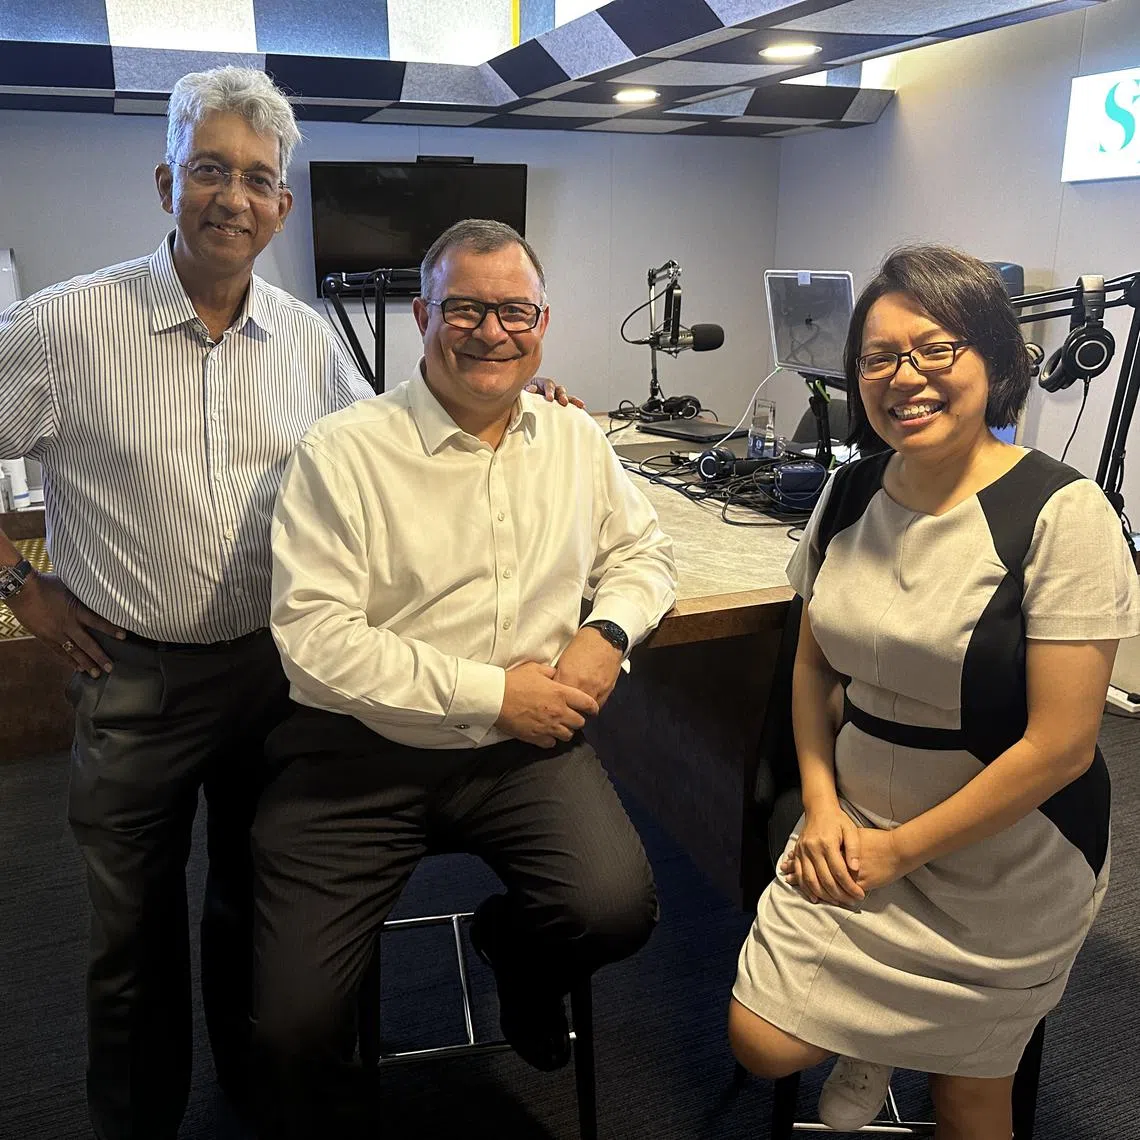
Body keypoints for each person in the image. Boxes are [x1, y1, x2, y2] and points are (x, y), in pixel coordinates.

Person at [0, 67, 574, 1140]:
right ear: (167, 179)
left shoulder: (309, 339)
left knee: (246, 910)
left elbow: (400, 446)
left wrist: (517, 398)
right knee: (131, 937)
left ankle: (247, 1103)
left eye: (257, 179)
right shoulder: (65, 327)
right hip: (134, 675)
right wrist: (19, 590)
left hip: (276, 674)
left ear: (283, 205)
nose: (232, 197)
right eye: (209, 170)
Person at [250, 218, 677, 1137]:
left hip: (519, 755)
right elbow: (315, 639)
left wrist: (607, 632)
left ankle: (512, 953)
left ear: (543, 321)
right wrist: (493, 694)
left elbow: (644, 554)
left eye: (514, 310)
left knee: (612, 911)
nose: (492, 332)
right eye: (467, 309)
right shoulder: (343, 451)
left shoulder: (574, 439)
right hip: (357, 754)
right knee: (290, 1025)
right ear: (422, 315)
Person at [728, 245, 1140, 1139]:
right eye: (878, 358)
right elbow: (812, 663)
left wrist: (899, 852)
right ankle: (871, 1042)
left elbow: (1062, 746)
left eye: (935, 349)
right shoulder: (848, 491)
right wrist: (824, 805)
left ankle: (892, 1043)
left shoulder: (1062, 513)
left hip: (1010, 856)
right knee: (760, 1042)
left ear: (993, 360)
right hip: (854, 828)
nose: (903, 376)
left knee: (969, 1097)